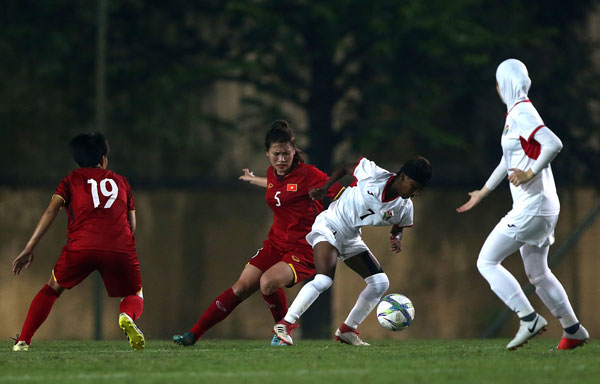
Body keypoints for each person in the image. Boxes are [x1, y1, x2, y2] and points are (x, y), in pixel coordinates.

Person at [456, 58, 589, 350]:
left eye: (498, 83)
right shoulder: (515, 113)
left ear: (504, 83)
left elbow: (553, 143)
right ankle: (573, 329)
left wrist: (530, 171)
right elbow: (508, 160)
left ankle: (528, 318)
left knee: (486, 261)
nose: (497, 89)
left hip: (533, 206)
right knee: (538, 273)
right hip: (542, 205)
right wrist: (483, 192)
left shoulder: (523, 112)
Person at [172, 120, 343, 346]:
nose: (281, 159)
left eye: (286, 154)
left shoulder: (310, 174)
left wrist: (346, 219)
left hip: (304, 247)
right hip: (275, 243)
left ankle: (283, 331)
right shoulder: (273, 173)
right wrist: (254, 180)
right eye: (276, 154)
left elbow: (341, 193)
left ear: (294, 152)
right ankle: (193, 335)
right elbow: (277, 187)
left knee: (267, 283)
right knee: (241, 287)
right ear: (267, 154)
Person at [273, 156, 432, 346]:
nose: (414, 193)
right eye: (414, 186)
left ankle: (347, 330)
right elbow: (346, 168)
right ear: (403, 177)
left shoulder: (404, 206)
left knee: (380, 283)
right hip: (330, 224)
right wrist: (325, 187)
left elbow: (398, 227)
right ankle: (285, 323)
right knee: (323, 280)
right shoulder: (374, 174)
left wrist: (397, 237)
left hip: (350, 236)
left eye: (419, 190)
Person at [12, 133, 145, 351]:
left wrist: (29, 247)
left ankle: (23, 341)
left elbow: (50, 211)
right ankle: (126, 316)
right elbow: (132, 225)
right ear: (104, 159)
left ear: (77, 161)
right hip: (119, 247)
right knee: (134, 294)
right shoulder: (122, 182)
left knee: (52, 288)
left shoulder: (71, 180)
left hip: (81, 247)